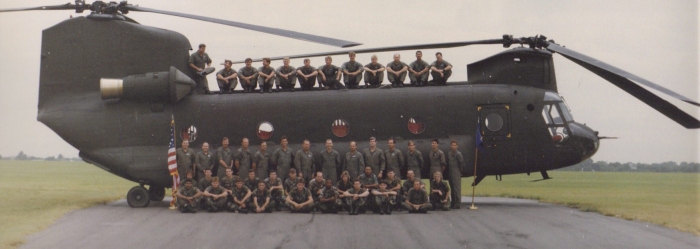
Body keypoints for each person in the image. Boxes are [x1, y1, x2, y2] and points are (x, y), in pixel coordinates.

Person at [447, 140, 465, 209]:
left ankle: (457, 203)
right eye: (452, 145)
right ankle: (453, 202)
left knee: (456, 188)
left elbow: (461, 163)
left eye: (455, 145)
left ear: (457, 146)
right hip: (450, 171)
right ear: (450, 146)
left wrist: (459, 171)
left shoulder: (458, 154)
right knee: (452, 187)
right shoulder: (449, 154)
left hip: (456, 171)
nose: (453, 146)